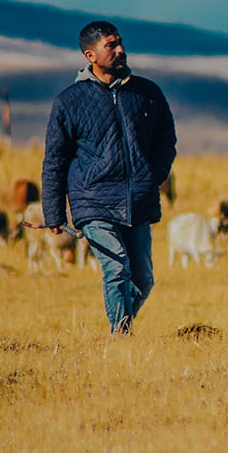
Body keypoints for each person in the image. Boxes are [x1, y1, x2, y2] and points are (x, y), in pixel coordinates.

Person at [42, 21, 177, 335]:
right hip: (93, 201)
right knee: (116, 268)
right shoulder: (69, 101)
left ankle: (121, 326)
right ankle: (120, 339)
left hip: (137, 200)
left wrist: (153, 176)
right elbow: (55, 160)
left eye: (120, 43)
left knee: (143, 279)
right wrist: (54, 212)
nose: (120, 51)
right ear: (91, 55)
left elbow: (166, 140)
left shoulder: (147, 93)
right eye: (110, 46)